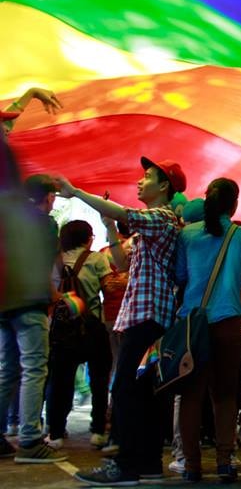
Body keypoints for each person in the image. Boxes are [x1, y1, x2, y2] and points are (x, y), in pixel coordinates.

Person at [62, 157, 186, 485]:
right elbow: (122, 264)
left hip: (148, 317)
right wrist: (107, 226)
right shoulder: (152, 226)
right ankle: (148, 465)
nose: (140, 182)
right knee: (142, 392)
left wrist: (75, 192)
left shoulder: (161, 217)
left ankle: (126, 466)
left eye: (147, 177)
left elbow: (124, 213)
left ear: (164, 187)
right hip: (145, 315)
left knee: (126, 389)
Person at [174, 178, 241, 482]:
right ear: (234, 205)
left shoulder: (186, 235)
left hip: (192, 324)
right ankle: (225, 461)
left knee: (191, 396)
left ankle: (192, 465)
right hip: (228, 322)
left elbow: (181, 275)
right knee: (224, 395)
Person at [0, 173, 64, 463]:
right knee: (34, 368)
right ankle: (29, 440)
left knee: (8, 369)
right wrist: (56, 294)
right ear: (48, 197)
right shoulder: (45, 224)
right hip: (30, 302)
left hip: (5, 304)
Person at [45, 221, 113, 450]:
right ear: (87, 238)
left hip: (62, 329)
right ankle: (97, 431)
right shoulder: (96, 259)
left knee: (60, 380)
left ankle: (55, 432)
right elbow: (109, 289)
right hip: (92, 326)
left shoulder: (55, 260)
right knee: (99, 379)